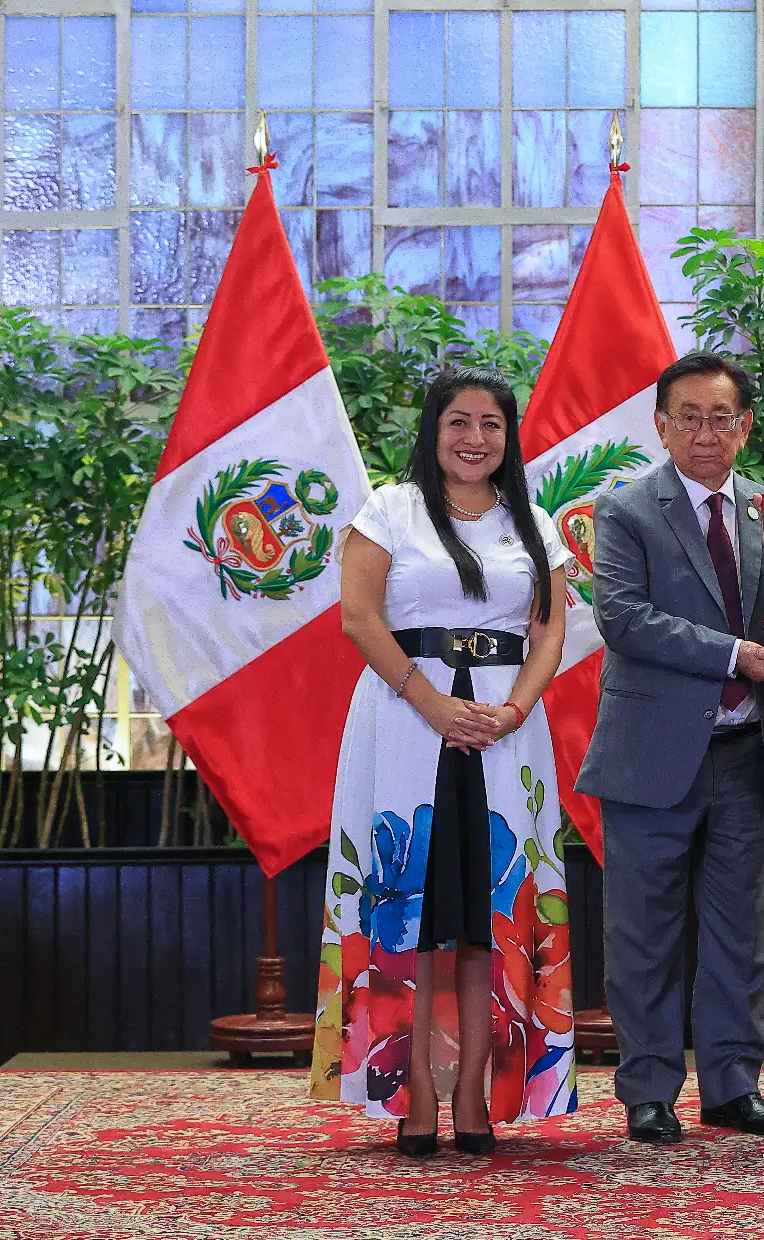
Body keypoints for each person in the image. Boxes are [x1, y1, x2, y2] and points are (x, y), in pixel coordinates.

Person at [310, 366, 578, 1157]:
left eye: (491, 424)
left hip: (505, 732)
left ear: (509, 436)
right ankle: (414, 1094)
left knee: (492, 916)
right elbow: (359, 616)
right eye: (458, 421)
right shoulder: (390, 509)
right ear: (433, 431)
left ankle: (477, 1096)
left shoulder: (534, 521)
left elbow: (549, 634)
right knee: (415, 912)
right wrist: (431, 703)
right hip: (404, 720)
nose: (474, 438)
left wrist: (512, 710)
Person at [577, 350, 764, 1146]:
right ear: (662, 426)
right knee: (643, 933)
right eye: (689, 418)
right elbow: (623, 619)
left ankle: (734, 1086)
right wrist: (736, 654)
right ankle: (648, 1089)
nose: (706, 434)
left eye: (721, 418)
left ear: (746, 426)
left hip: (748, 752)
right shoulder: (625, 508)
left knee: (741, 932)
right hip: (651, 753)